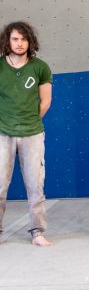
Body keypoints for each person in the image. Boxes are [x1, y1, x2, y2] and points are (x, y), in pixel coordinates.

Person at [0, 21, 53, 246]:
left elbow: (46, 101)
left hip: (32, 133)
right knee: (0, 184)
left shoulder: (40, 67)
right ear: (7, 41)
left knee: (35, 184)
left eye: (23, 39)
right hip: (3, 134)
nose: (19, 43)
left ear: (30, 41)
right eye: (15, 39)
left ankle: (37, 232)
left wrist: (28, 121)